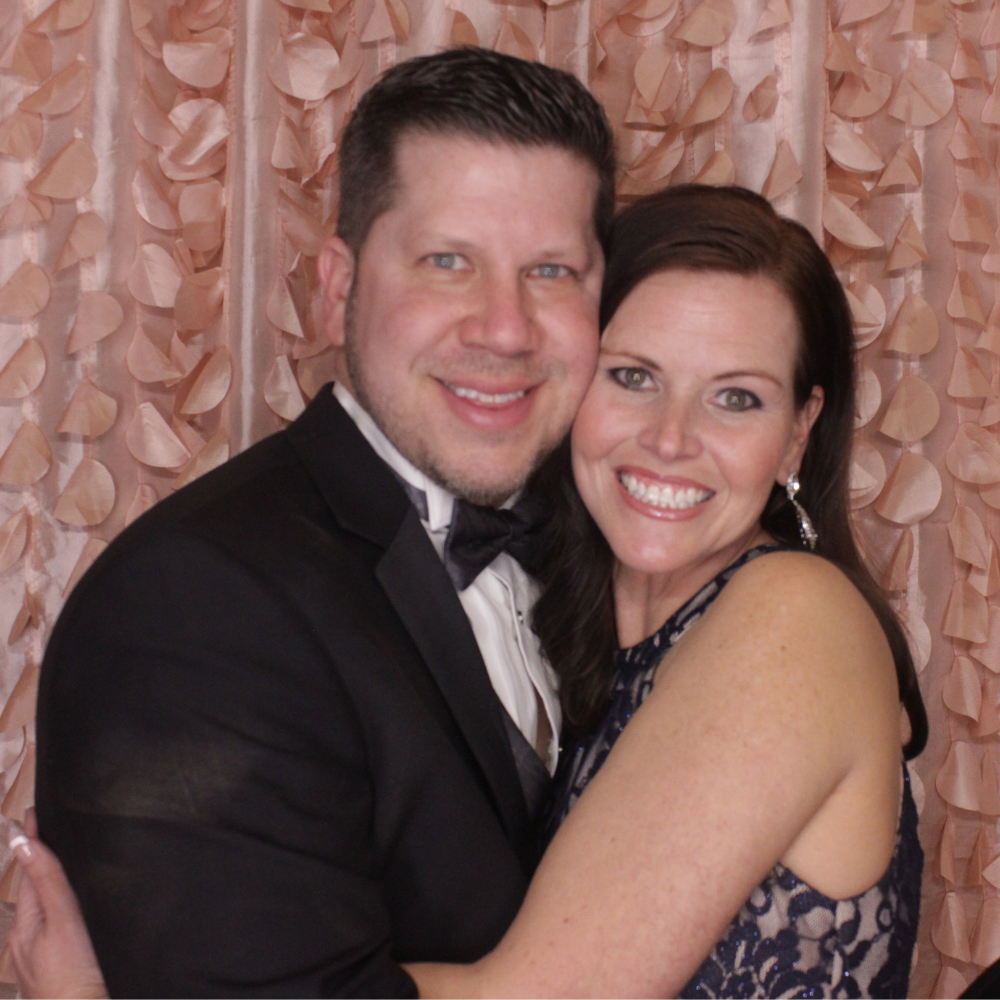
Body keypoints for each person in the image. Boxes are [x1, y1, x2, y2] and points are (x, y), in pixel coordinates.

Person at [11, 186, 927, 999]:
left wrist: (131, 981)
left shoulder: (791, 618)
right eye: (634, 376)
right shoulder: (574, 624)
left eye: (736, 399)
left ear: (800, 433)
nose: (671, 439)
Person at [27, 46, 615, 997]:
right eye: (447, 261)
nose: (505, 328)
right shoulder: (191, 611)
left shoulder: (629, 535)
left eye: (551, 270)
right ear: (339, 284)